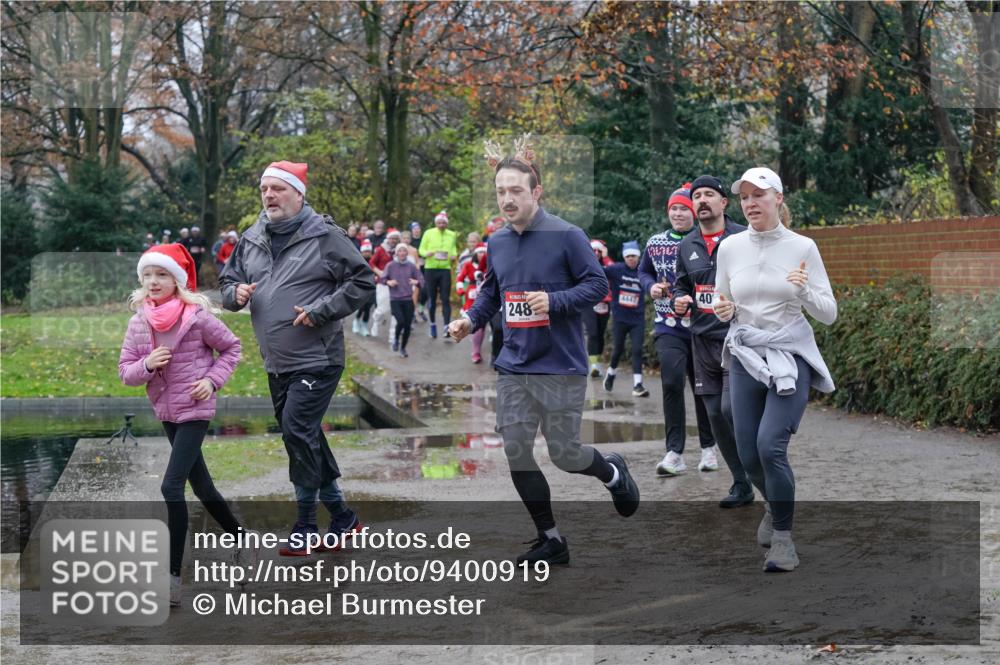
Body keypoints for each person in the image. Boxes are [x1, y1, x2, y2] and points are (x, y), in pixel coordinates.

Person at [448, 136, 639, 565]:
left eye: (516, 190)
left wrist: (554, 301)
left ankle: (611, 471)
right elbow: (491, 292)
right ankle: (550, 538)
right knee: (516, 449)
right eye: (500, 192)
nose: (507, 199)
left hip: (560, 364)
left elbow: (597, 286)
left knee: (565, 454)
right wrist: (471, 319)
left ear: (536, 192)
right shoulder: (496, 241)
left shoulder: (567, 235)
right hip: (515, 363)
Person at [220, 160, 375, 556]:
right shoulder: (251, 237)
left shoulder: (324, 236)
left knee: (296, 431)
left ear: (298, 193)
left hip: (318, 358)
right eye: (264, 189)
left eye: (278, 188)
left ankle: (306, 525)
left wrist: (322, 310)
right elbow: (227, 280)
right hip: (277, 361)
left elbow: (362, 281)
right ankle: (343, 518)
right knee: (302, 435)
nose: (269, 196)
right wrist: (233, 294)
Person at [714, 167, 837, 572]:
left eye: (759, 196)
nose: (750, 203)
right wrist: (723, 308)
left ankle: (783, 539)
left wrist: (802, 289)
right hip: (748, 354)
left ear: (779, 199)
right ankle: (773, 504)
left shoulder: (803, 246)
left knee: (770, 446)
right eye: (745, 197)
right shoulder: (730, 248)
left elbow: (829, 314)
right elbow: (722, 298)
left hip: (789, 355)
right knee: (748, 456)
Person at [118, 243, 252, 607]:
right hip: (166, 411)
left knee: (171, 487)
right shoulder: (138, 322)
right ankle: (241, 538)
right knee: (203, 486)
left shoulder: (197, 317)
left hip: (195, 407)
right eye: (147, 275)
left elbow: (232, 348)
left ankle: (173, 577)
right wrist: (146, 364)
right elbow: (125, 372)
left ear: (177, 280)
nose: (153, 281)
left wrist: (211, 381)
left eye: (162, 274)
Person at [671, 175, 754, 508]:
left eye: (709, 195)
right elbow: (681, 285)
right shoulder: (686, 245)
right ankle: (741, 483)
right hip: (701, 340)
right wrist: (680, 299)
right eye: (697, 196)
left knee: (729, 408)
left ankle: (758, 468)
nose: (702, 200)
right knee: (715, 415)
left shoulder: (743, 238)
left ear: (724, 203)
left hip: (736, 338)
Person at [638, 183, 718, 476]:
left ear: (695, 211)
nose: (678, 213)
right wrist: (651, 287)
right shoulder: (655, 242)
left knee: (702, 389)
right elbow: (644, 271)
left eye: (684, 208)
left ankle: (709, 449)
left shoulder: (704, 241)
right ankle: (674, 452)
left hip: (700, 327)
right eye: (674, 209)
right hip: (668, 325)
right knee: (671, 382)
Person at [602, 241, 649, 397]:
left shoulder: (643, 270)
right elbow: (598, 272)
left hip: (637, 318)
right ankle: (611, 373)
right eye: (628, 256)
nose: (631, 259)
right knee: (618, 350)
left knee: (636, 350)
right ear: (624, 257)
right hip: (620, 318)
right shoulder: (616, 269)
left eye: (634, 256)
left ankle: (638, 385)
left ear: (638, 256)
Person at [419, 210, 458, 339]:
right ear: (436, 223)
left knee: (445, 299)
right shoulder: (428, 233)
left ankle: (447, 327)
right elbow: (421, 249)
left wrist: (454, 255)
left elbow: (453, 249)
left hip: (444, 269)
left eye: (443, 223)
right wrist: (426, 254)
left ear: (446, 224)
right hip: (430, 269)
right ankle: (433, 325)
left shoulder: (452, 234)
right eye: (439, 223)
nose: (441, 225)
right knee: (432, 299)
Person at [382, 243, 425, 357]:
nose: (402, 253)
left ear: (407, 253)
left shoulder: (411, 266)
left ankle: (403, 348)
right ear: (396, 252)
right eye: (400, 251)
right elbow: (382, 278)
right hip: (395, 299)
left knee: (407, 326)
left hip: (408, 299)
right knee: (400, 321)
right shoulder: (390, 265)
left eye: (404, 251)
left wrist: (417, 282)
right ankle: (396, 339)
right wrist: (388, 282)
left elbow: (421, 279)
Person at [584, 239, 613, 377]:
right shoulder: (584, 263)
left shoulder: (607, 265)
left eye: (599, 251)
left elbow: (613, 270)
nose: (596, 253)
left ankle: (598, 362)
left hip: (605, 303)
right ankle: (594, 365)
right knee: (593, 333)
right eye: (594, 250)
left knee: (600, 334)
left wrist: (606, 257)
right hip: (589, 303)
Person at [456, 242, 489, 363]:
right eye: (479, 252)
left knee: (485, 325)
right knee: (477, 324)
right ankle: (476, 352)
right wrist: (460, 289)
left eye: (484, 252)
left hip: (487, 295)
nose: (481, 254)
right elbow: (460, 278)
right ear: (475, 253)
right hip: (472, 295)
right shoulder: (468, 265)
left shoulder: (490, 266)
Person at [369, 229, 401, 342]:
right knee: (382, 309)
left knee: (395, 311)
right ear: (388, 238)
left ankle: (393, 336)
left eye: (395, 239)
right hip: (382, 283)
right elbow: (371, 263)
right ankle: (375, 323)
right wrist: (380, 273)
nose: (393, 240)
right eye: (392, 238)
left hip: (397, 284)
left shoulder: (400, 250)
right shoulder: (381, 249)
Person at [353, 240, 375, 336]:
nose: (367, 253)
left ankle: (364, 325)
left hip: (372, 287)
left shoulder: (373, 261)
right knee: (361, 307)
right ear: (361, 252)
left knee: (368, 308)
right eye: (365, 251)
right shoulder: (358, 260)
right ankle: (356, 321)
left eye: (368, 251)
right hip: (361, 287)